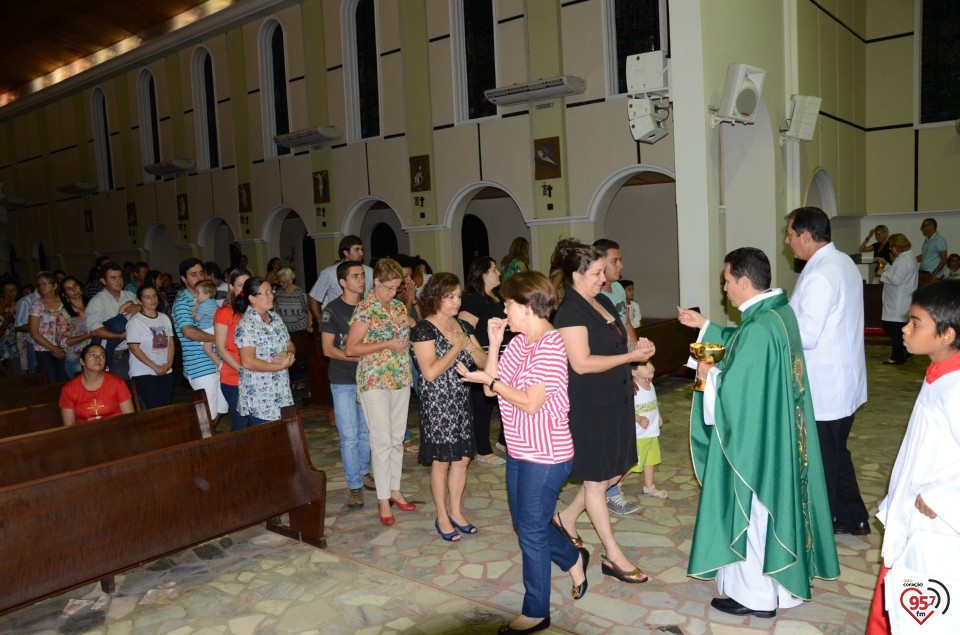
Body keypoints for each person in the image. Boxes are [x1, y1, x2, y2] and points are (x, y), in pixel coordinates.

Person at [678, 246, 839, 618]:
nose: (725, 289)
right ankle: (780, 592)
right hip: (779, 433)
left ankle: (756, 596)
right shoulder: (776, 313)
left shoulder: (762, 327)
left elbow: (738, 389)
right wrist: (706, 328)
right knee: (770, 510)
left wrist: (707, 376)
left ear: (746, 282)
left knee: (754, 509)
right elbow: (742, 347)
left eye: (728, 281)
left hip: (759, 442)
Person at [457, 271, 587, 635]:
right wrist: (496, 344)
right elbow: (490, 393)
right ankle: (574, 557)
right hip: (518, 449)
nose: (504, 309)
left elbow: (531, 403)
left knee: (531, 530)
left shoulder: (551, 343)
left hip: (546, 454)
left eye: (509, 304)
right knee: (530, 524)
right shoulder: (518, 342)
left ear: (528, 306)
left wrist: (492, 381)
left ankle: (536, 611)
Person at [551, 238, 656, 584]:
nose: (603, 277)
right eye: (596, 272)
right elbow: (580, 363)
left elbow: (615, 343)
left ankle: (566, 518)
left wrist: (637, 347)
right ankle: (613, 555)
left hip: (616, 400)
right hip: (591, 405)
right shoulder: (569, 311)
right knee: (598, 481)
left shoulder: (600, 302)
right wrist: (629, 358)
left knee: (612, 473)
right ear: (577, 274)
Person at [866, 281, 960, 635]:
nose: (905, 328)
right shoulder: (939, 372)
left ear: (947, 333)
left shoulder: (956, 389)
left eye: (916, 323)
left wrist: (944, 497)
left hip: (936, 525)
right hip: (916, 514)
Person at [785, 206, 870, 536]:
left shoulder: (821, 274)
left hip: (827, 387)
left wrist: (774, 324)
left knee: (822, 461)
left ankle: (820, 528)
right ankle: (854, 518)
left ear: (806, 236)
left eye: (790, 236)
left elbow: (806, 334)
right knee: (835, 452)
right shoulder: (840, 261)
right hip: (842, 380)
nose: (787, 242)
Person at [411, 273, 487, 541]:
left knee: (463, 458)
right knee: (442, 461)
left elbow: (482, 360)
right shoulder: (423, 329)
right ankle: (442, 515)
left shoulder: (462, 326)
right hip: (438, 404)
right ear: (436, 297)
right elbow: (430, 372)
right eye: (450, 296)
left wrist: (475, 348)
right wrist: (457, 346)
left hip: (461, 399)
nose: (457, 302)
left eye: (458, 296)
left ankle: (456, 510)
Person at [345, 258, 416, 526]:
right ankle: (382, 498)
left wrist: (407, 324)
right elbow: (351, 348)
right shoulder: (365, 309)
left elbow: (405, 329)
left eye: (396, 288)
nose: (392, 293)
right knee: (382, 440)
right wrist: (386, 343)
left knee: (397, 437)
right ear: (376, 282)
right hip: (374, 380)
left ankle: (395, 489)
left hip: (399, 377)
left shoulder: (397, 305)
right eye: (388, 287)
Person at [320, 261, 376, 508]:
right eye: (355, 276)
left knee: (367, 432)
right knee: (349, 435)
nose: (361, 280)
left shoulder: (370, 307)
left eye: (363, 275)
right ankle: (354, 485)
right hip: (343, 380)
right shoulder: (332, 310)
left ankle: (364, 472)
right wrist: (356, 355)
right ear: (342, 282)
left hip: (367, 378)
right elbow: (328, 349)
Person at [593, 238, 640, 516]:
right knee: (611, 431)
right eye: (614, 260)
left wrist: (638, 356)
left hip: (624, 363)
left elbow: (626, 323)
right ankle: (608, 490)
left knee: (626, 429)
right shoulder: (596, 296)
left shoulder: (619, 289)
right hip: (610, 367)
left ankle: (611, 484)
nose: (620, 265)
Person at [458, 256, 509, 465]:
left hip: (502, 358)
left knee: (506, 401)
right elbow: (463, 329)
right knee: (483, 407)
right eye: (494, 269)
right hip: (482, 358)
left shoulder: (496, 297)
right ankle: (482, 450)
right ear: (483, 274)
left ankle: (503, 441)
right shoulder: (472, 299)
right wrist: (478, 355)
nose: (498, 273)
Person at [233, 277, 296, 425]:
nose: (271, 296)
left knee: (284, 437)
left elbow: (290, 345)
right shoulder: (247, 324)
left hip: (281, 389)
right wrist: (280, 366)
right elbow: (248, 362)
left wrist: (289, 355)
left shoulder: (276, 318)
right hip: (260, 394)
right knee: (269, 441)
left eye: (271, 291)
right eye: (266, 293)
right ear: (252, 298)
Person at [173, 258, 229, 422]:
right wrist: (218, 339)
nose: (198, 277)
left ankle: (209, 441)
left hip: (217, 361)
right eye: (193, 274)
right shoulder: (182, 303)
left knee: (221, 407)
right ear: (184, 279)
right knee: (207, 413)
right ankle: (205, 445)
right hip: (199, 365)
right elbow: (189, 331)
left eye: (201, 273)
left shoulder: (208, 299)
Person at [86, 262, 140, 379]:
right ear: (103, 281)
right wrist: (120, 336)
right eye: (113, 278)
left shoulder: (129, 295)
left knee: (140, 388)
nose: (118, 281)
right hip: (117, 354)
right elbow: (95, 331)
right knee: (120, 390)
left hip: (136, 352)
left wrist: (140, 307)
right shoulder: (97, 301)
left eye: (120, 277)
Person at [214, 268, 253, 430]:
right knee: (240, 422)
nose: (243, 289)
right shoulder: (225, 312)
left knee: (256, 421)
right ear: (231, 287)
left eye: (247, 285)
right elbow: (221, 348)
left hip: (255, 373)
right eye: (239, 285)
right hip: (234, 376)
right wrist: (242, 370)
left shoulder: (254, 312)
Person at [621, 361, 667, 499]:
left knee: (650, 460)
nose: (652, 367)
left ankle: (649, 486)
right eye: (646, 366)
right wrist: (638, 419)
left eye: (651, 364)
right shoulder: (632, 390)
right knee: (635, 463)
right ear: (633, 372)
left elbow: (652, 403)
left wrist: (658, 415)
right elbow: (625, 410)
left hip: (651, 432)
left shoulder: (650, 384)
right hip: (639, 435)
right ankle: (614, 484)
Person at [59, 343, 135, 425]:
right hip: (85, 434)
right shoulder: (69, 389)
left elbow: (130, 419)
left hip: (116, 431)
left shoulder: (117, 383)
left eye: (102, 355)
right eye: (92, 355)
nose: (98, 358)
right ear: (82, 361)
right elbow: (69, 427)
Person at [126, 284, 175, 409]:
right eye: (147, 297)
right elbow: (134, 348)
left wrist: (168, 365)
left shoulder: (164, 318)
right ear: (139, 300)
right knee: (155, 407)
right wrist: (155, 367)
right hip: (144, 370)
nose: (152, 300)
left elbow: (170, 343)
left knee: (166, 406)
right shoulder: (135, 321)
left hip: (165, 368)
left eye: (154, 296)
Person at [307, 235, 374, 326]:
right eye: (357, 249)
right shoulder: (330, 273)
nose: (361, 253)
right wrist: (322, 324)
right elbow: (313, 298)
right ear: (346, 252)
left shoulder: (370, 272)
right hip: (338, 324)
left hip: (364, 323)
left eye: (362, 249)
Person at [876, 233, 919, 365]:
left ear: (897, 247)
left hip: (899, 299)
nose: (890, 250)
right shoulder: (905, 257)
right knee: (896, 327)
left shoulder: (904, 259)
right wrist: (886, 265)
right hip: (899, 298)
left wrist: (882, 273)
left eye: (891, 247)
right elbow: (895, 272)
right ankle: (904, 351)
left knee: (894, 329)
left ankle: (897, 356)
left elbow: (896, 279)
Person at [29, 272, 69, 383]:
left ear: (55, 286)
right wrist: (53, 348)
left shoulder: (65, 301)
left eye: (44, 284)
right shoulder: (37, 305)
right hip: (44, 348)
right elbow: (34, 332)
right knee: (52, 380)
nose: (41, 287)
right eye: (39, 285)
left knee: (66, 378)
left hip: (65, 346)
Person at [58, 276, 91, 378]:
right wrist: (87, 336)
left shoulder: (93, 305)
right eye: (69, 289)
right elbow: (63, 341)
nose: (74, 290)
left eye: (75, 286)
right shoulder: (64, 313)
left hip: (96, 352)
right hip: (77, 356)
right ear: (64, 294)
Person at [274, 268, 312, 334]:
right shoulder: (278, 293)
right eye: (279, 282)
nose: (280, 284)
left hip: (300, 329)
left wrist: (309, 324)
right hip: (285, 329)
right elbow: (277, 311)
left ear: (290, 280)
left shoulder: (300, 293)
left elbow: (308, 310)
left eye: (283, 282)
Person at [192, 279, 220, 369]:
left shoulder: (203, 306)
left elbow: (197, 318)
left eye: (198, 293)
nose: (196, 295)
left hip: (208, 330)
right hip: (216, 328)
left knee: (207, 350)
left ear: (207, 294)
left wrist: (193, 313)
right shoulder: (214, 303)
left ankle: (219, 364)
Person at [917, 217, 948, 285]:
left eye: (923, 226)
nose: (921, 229)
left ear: (932, 226)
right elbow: (925, 256)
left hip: (932, 275)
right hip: (923, 273)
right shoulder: (926, 240)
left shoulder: (939, 240)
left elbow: (944, 260)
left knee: (932, 295)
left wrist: (934, 274)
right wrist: (911, 259)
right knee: (922, 294)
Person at [0, 282, 20, 375]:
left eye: (14, 290)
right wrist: (7, 319)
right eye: (8, 290)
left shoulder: (21, 305)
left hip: (16, 349)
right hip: (2, 349)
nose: (11, 292)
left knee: (18, 376)